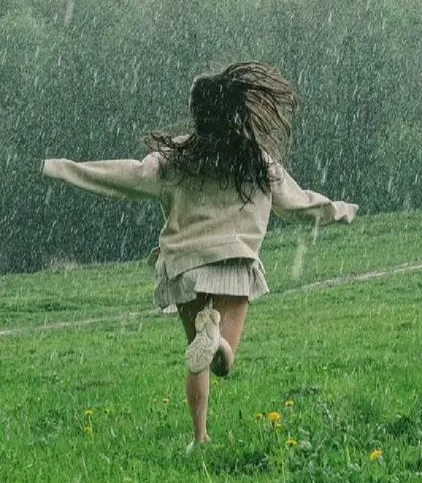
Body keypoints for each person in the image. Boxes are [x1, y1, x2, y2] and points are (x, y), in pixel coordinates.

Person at [42, 63, 358, 450]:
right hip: (234, 264)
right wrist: (339, 210)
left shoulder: (175, 158)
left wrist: (64, 169)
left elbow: (126, 176)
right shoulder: (256, 160)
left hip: (186, 266)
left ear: (197, 111)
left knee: (197, 355)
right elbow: (298, 204)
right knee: (222, 360)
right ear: (236, 109)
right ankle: (219, 343)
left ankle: (200, 435)